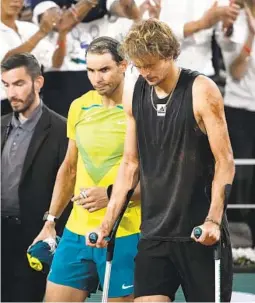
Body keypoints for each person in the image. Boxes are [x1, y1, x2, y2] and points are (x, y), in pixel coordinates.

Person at [87, 19, 236, 302]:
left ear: (171, 54)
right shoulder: (135, 90)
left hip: (199, 233)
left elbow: (225, 161)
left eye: (152, 64)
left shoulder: (201, 90)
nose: (145, 72)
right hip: (154, 233)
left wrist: (213, 220)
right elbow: (130, 164)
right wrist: (107, 224)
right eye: (139, 65)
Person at [32, 37, 141, 302]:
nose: (96, 78)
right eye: (90, 71)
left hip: (125, 233)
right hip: (75, 232)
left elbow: (156, 176)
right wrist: (50, 221)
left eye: (104, 70)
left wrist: (112, 195)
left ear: (123, 65)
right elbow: (69, 168)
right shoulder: (79, 106)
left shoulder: (140, 108)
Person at [1, 53, 70, 302]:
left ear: (38, 82)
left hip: (34, 239)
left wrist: (52, 234)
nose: (12, 93)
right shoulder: (1, 125)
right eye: (6, 85)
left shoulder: (63, 130)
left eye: (18, 84)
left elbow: (68, 185)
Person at [218, 0, 255, 247]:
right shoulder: (231, 19)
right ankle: (233, 241)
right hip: (240, 110)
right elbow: (236, 71)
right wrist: (251, 36)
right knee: (239, 176)